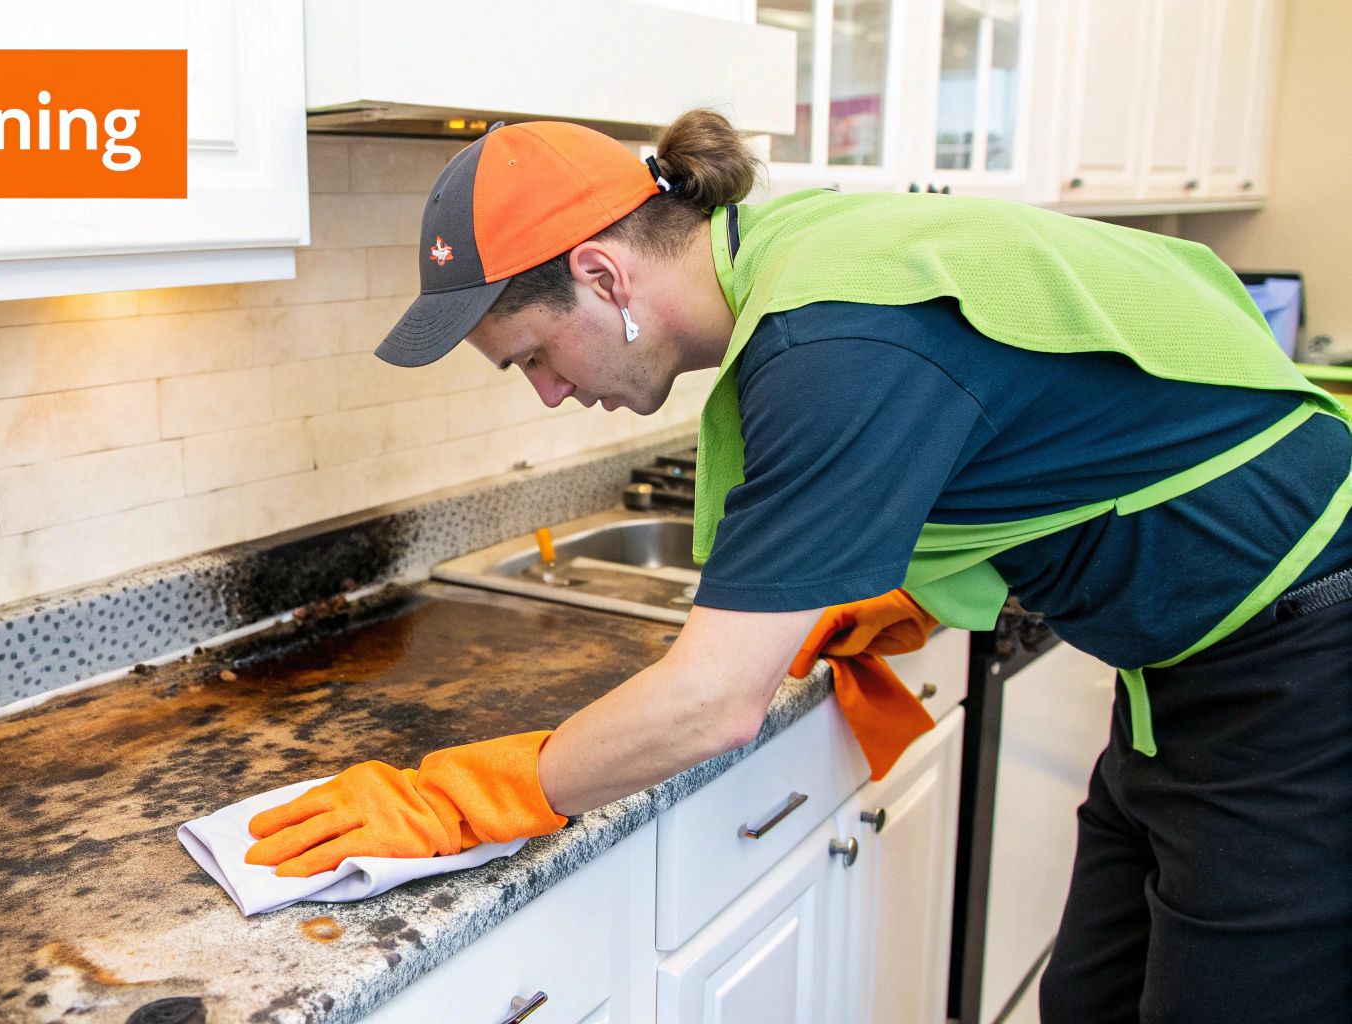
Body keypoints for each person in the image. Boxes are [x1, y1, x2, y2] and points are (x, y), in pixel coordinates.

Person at [242, 110, 1352, 1023]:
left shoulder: (826, 340)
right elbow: (1025, 421)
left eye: (531, 354)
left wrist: (462, 797)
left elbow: (714, 704)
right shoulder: (800, 254)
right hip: (1193, 678)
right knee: (1090, 1001)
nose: (543, 393)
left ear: (601, 274)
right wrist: (902, 587)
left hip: (1298, 679)